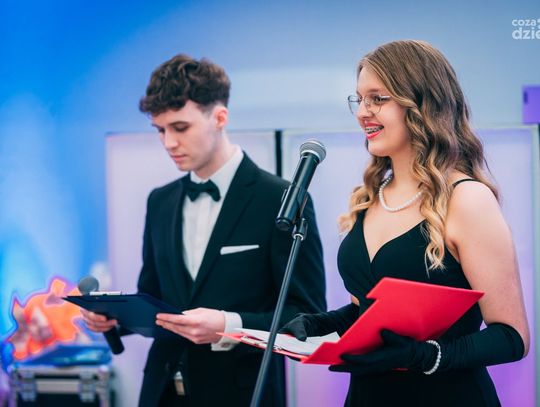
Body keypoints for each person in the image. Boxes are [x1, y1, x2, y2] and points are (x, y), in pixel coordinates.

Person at [280, 40, 529, 406]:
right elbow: (371, 314)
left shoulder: (467, 199)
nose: (362, 112)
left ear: (422, 104)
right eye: (359, 99)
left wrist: (422, 356)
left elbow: (512, 337)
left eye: (377, 99)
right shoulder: (369, 198)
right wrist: (323, 323)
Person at [81, 54, 326, 406]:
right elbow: (154, 297)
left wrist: (228, 325)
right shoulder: (160, 201)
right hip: (161, 392)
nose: (168, 142)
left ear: (220, 118)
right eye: (160, 130)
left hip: (240, 395)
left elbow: (307, 316)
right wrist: (115, 318)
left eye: (180, 127)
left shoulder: (282, 200)